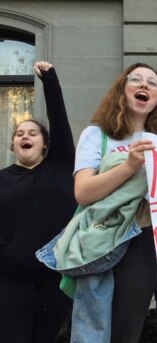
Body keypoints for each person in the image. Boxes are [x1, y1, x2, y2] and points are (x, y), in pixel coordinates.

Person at [72, 20, 157, 342]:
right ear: (123, 89)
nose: (144, 84)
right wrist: (128, 166)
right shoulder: (97, 135)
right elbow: (82, 193)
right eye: (136, 79)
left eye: (153, 82)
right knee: (125, 321)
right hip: (127, 239)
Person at [0, 61, 75, 342]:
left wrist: (50, 80)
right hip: (10, 280)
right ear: (14, 144)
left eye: (33, 133)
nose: (25, 136)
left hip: (54, 279)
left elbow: (59, 119)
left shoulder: (59, 167)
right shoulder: (2, 179)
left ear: (45, 143)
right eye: (20, 133)